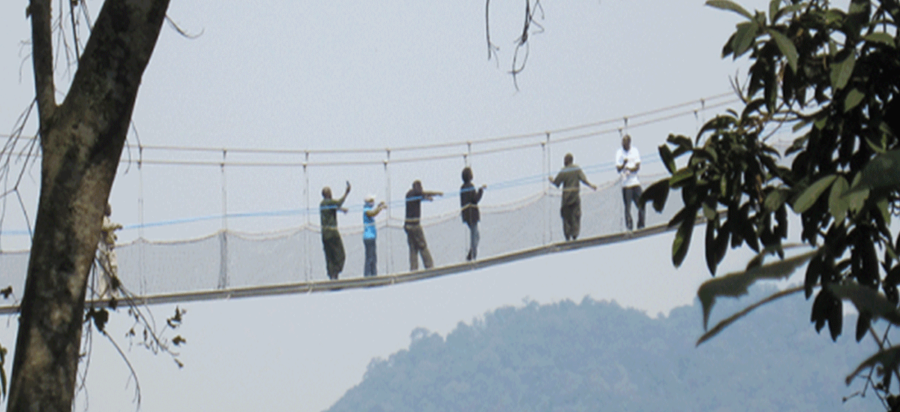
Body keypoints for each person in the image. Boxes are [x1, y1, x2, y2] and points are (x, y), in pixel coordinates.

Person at [549, 153, 597, 241]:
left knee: (566, 218)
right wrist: (591, 185)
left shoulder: (564, 171)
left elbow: (557, 183)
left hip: (566, 200)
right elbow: (583, 180)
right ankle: (575, 235)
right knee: (576, 217)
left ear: (567, 161)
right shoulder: (577, 169)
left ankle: (567, 236)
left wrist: (551, 180)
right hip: (575, 198)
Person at [404, 180, 442, 271]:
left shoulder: (409, 194)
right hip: (414, 225)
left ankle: (413, 269)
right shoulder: (414, 194)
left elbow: (420, 196)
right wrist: (435, 194)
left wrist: (426, 198)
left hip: (407, 226)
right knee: (422, 246)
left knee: (413, 248)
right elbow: (420, 194)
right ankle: (429, 266)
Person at [320, 182, 351, 280]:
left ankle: (332, 274)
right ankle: (336, 271)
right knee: (340, 254)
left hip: (324, 235)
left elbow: (333, 207)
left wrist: (341, 210)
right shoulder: (329, 202)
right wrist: (346, 193)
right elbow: (337, 203)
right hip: (332, 233)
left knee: (329, 256)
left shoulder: (322, 204)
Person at [616, 134, 645, 231]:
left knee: (642, 203)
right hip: (626, 185)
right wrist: (624, 164)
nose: (624, 146)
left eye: (626, 144)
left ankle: (641, 224)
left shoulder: (635, 151)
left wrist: (630, 169)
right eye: (623, 144)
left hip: (635, 182)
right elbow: (618, 169)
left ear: (629, 143)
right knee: (627, 208)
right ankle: (629, 226)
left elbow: (637, 166)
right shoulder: (619, 153)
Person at [460, 167, 486, 261]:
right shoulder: (470, 186)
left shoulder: (462, 188)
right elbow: (475, 199)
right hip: (472, 215)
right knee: (474, 236)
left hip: (466, 216)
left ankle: (471, 254)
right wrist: (481, 191)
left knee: (476, 235)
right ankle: (473, 256)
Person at [97, 203, 122, 298]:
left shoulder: (106, 220)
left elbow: (107, 230)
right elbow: (105, 227)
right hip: (106, 250)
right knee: (108, 271)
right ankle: (108, 294)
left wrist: (113, 235)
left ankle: (110, 293)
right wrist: (116, 226)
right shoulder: (102, 219)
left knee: (109, 271)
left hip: (107, 249)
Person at [362, 194, 387, 277]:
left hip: (372, 237)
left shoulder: (369, 209)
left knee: (373, 257)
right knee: (369, 257)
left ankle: (374, 274)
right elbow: (373, 213)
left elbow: (375, 210)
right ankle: (367, 275)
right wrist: (380, 208)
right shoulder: (366, 210)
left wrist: (380, 205)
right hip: (368, 237)